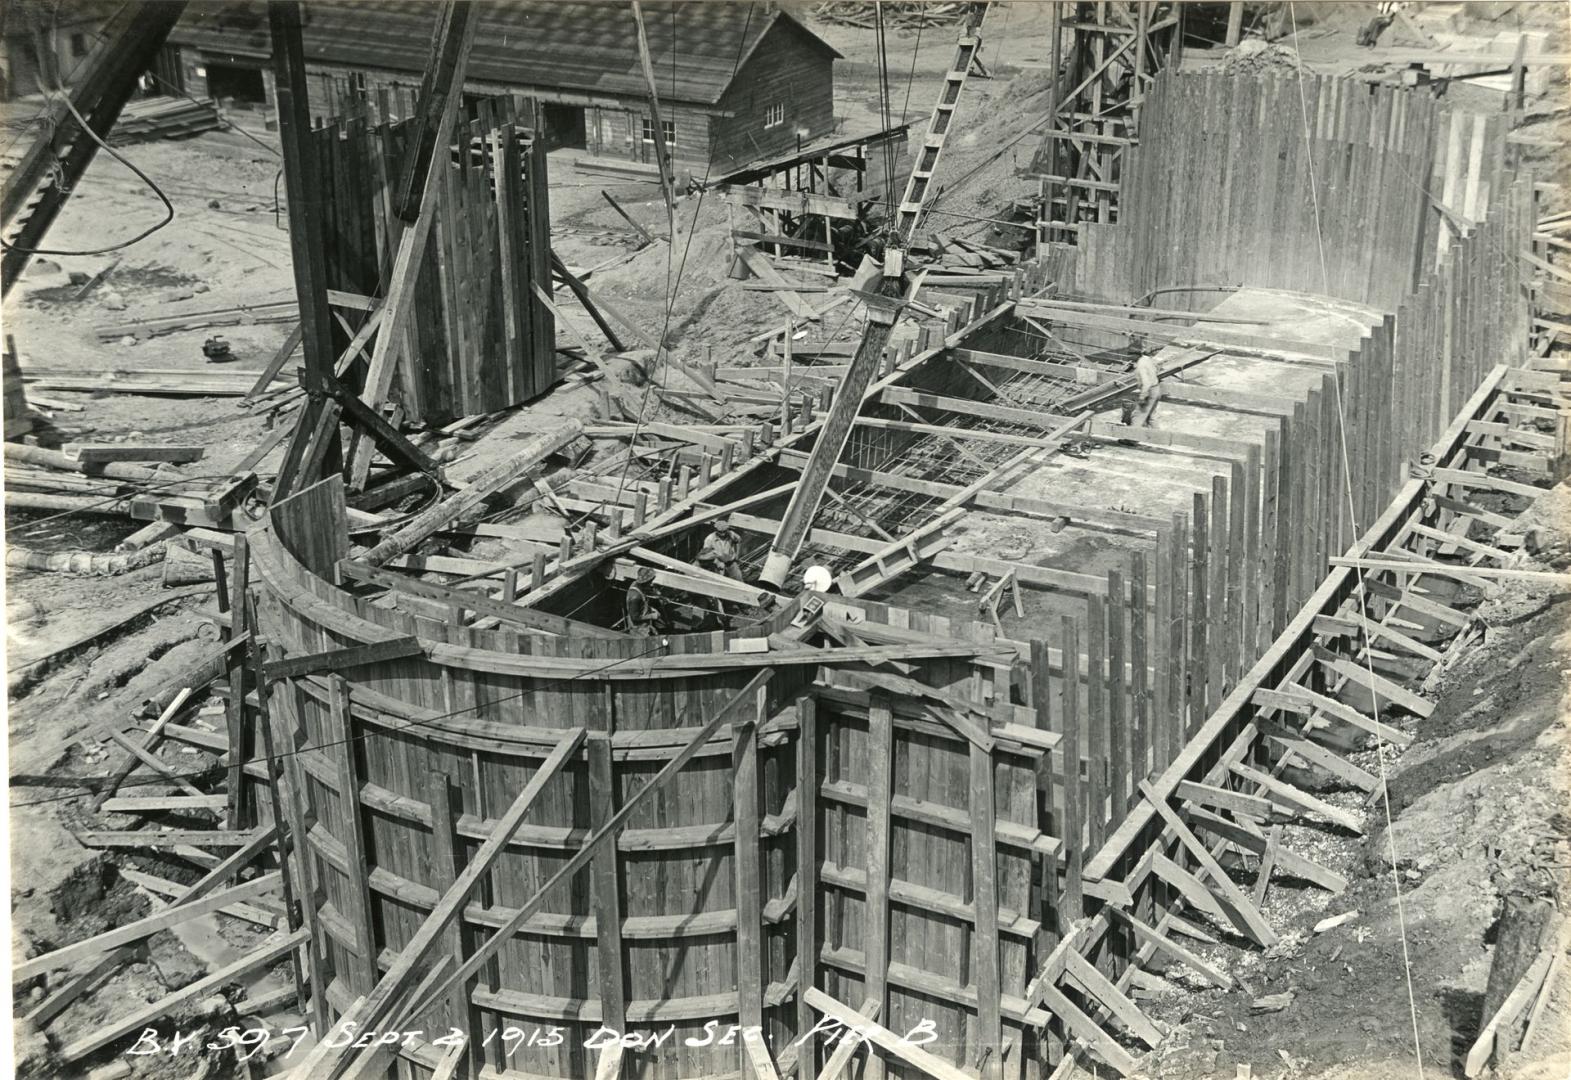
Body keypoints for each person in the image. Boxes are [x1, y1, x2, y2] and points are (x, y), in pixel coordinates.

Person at [697, 515, 745, 582]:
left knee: (738, 580)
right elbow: (706, 554)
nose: (723, 534)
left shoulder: (731, 534)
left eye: (724, 531)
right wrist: (717, 562)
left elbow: (739, 541)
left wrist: (737, 555)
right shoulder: (709, 539)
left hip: (731, 561)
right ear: (716, 530)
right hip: (717, 564)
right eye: (720, 532)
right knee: (718, 581)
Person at [622, 567, 663, 636]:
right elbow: (635, 618)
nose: (651, 583)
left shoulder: (636, 584)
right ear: (645, 582)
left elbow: (646, 590)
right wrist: (652, 616)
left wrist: (660, 596)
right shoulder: (635, 597)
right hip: (638, 629)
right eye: (650, 582)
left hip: (643, 622)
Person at [1131, 352, 1161, 427]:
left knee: (1137, 417)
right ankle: (1157, 436)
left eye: (1130, 355)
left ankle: (1131, 437)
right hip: (1156, 388)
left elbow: (1146, 383)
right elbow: (1157, 368)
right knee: (1151, 417)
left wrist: (1142, 397)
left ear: (1136, 355)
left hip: (1149, 391)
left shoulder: (1141, 365)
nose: (1129, 357)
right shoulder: (1146, 359)